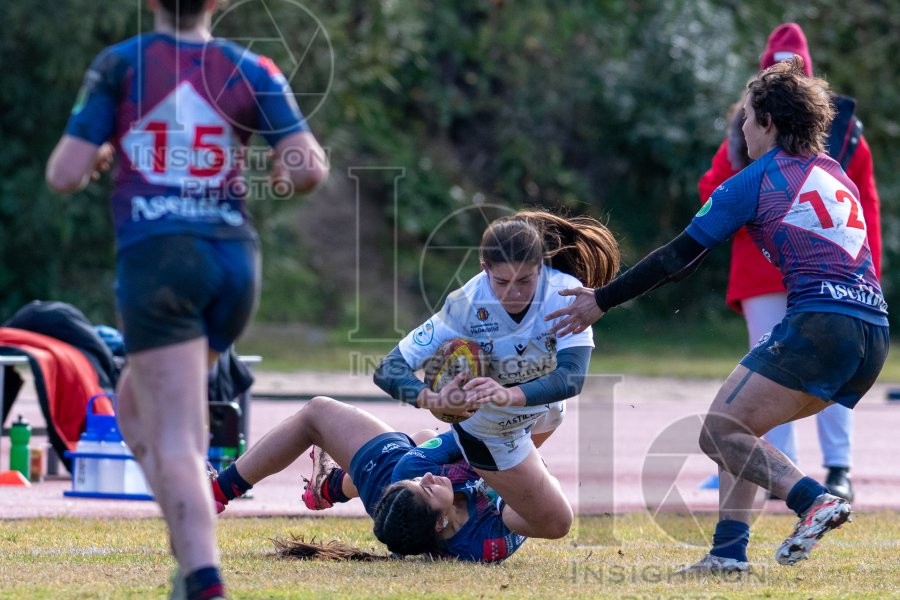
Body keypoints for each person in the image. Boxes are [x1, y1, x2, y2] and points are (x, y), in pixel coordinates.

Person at [547, 58, 888, 573]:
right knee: (742, 429)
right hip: (873, 334)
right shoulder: (834, 171)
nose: (743, 130)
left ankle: (811, 500)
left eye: (747, 119)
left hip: (822, 324)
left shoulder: (752, 180)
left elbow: (675, 259)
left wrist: (602, 300)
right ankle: (729, 555)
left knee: (718, 431)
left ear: (768, 122)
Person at [44, 0, 329, 597]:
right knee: (133, 408)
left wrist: (101, 152)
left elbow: (62, 174)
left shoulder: (122, 64)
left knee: (175, 434)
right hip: (232, 267)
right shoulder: (253, 68)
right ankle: (188, 533)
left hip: (162, 264)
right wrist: (280, 172)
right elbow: (307, 168)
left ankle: (202, 576)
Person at [697, 22, 882, 502]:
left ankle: (834, 468)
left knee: (807, 370)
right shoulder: (751, 124)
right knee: (776, 372)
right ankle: (782, 474)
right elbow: (714, 189)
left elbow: (865, 205)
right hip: (772, 269)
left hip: (818, 269)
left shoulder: (841, 130)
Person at [373, 210, 620, 540]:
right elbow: (388, 368)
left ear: (541, 268)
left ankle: (455, 463)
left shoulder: (563, 293)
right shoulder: (465, 305)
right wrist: (432, 398)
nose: (514, 294)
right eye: (502, 282)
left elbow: (572, 377)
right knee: (555, 524)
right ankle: (470, 492)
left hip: (544, 407)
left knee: (538, 444)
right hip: (491, 430)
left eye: (525, 281)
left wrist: (509, 394)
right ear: (484, 269)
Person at [211, 395, 528, 562]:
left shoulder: (413, 476)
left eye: (423, 485)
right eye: (425, 485)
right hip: (395, 505)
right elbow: (483, 442)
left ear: (439, 523)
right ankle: (332, 486)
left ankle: (218, 491)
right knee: (423, 435)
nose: (428, 478)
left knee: (317, 412)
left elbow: (464, 438)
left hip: (389, 480)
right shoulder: (477, 534)